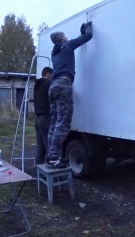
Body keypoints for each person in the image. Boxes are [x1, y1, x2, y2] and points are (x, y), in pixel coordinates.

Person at [46, 22, 93, 168]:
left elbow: (78, 39)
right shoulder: (67, 46)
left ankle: (51, 156)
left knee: (54, 123)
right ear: (62, 39)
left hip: (53, 87)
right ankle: (54, 158)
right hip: (63, 85)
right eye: (65, 35)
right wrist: (87, 29)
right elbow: (88, 36)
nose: (67, 37)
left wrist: (81, 31)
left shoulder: (54, 52)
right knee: (63, 124)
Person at [30, 67, 53, 165]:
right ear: (48, 74)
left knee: (40, 148)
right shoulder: (47, 84)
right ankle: (50, 171)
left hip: (38, 119)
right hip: (45, 119)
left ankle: (38, 171)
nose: (52, 77)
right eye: (52, 75)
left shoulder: (37, 85)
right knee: (49, 147)